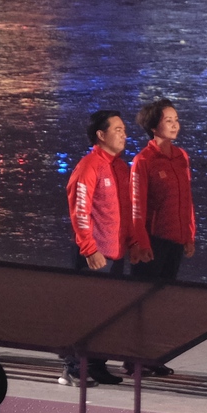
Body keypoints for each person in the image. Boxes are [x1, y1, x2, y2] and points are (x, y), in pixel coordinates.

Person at [62, 109, 134, 386]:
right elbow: (79, 210)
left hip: (114, 253)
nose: (124, 135)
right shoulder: (89, 166)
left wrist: (132, 243)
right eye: (118, 130)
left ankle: (96, 363)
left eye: (124, 130)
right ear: (101, 135)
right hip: (94, 254)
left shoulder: (119, 167)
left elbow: (125, 211)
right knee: (85, 310)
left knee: (106, 314)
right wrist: (89, 248)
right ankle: (72, 366)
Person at [130, 98, 195, 283]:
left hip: (177, 240)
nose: (175, 125)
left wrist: (189, 235)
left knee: (167, 295)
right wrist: (141, 242)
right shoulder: (144, 160)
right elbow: (137, 206)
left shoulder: (181, 156)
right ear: (153, 127)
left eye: (176, 120)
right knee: (143, 296)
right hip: (154, 240)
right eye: (168, 121)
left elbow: (187, 199)